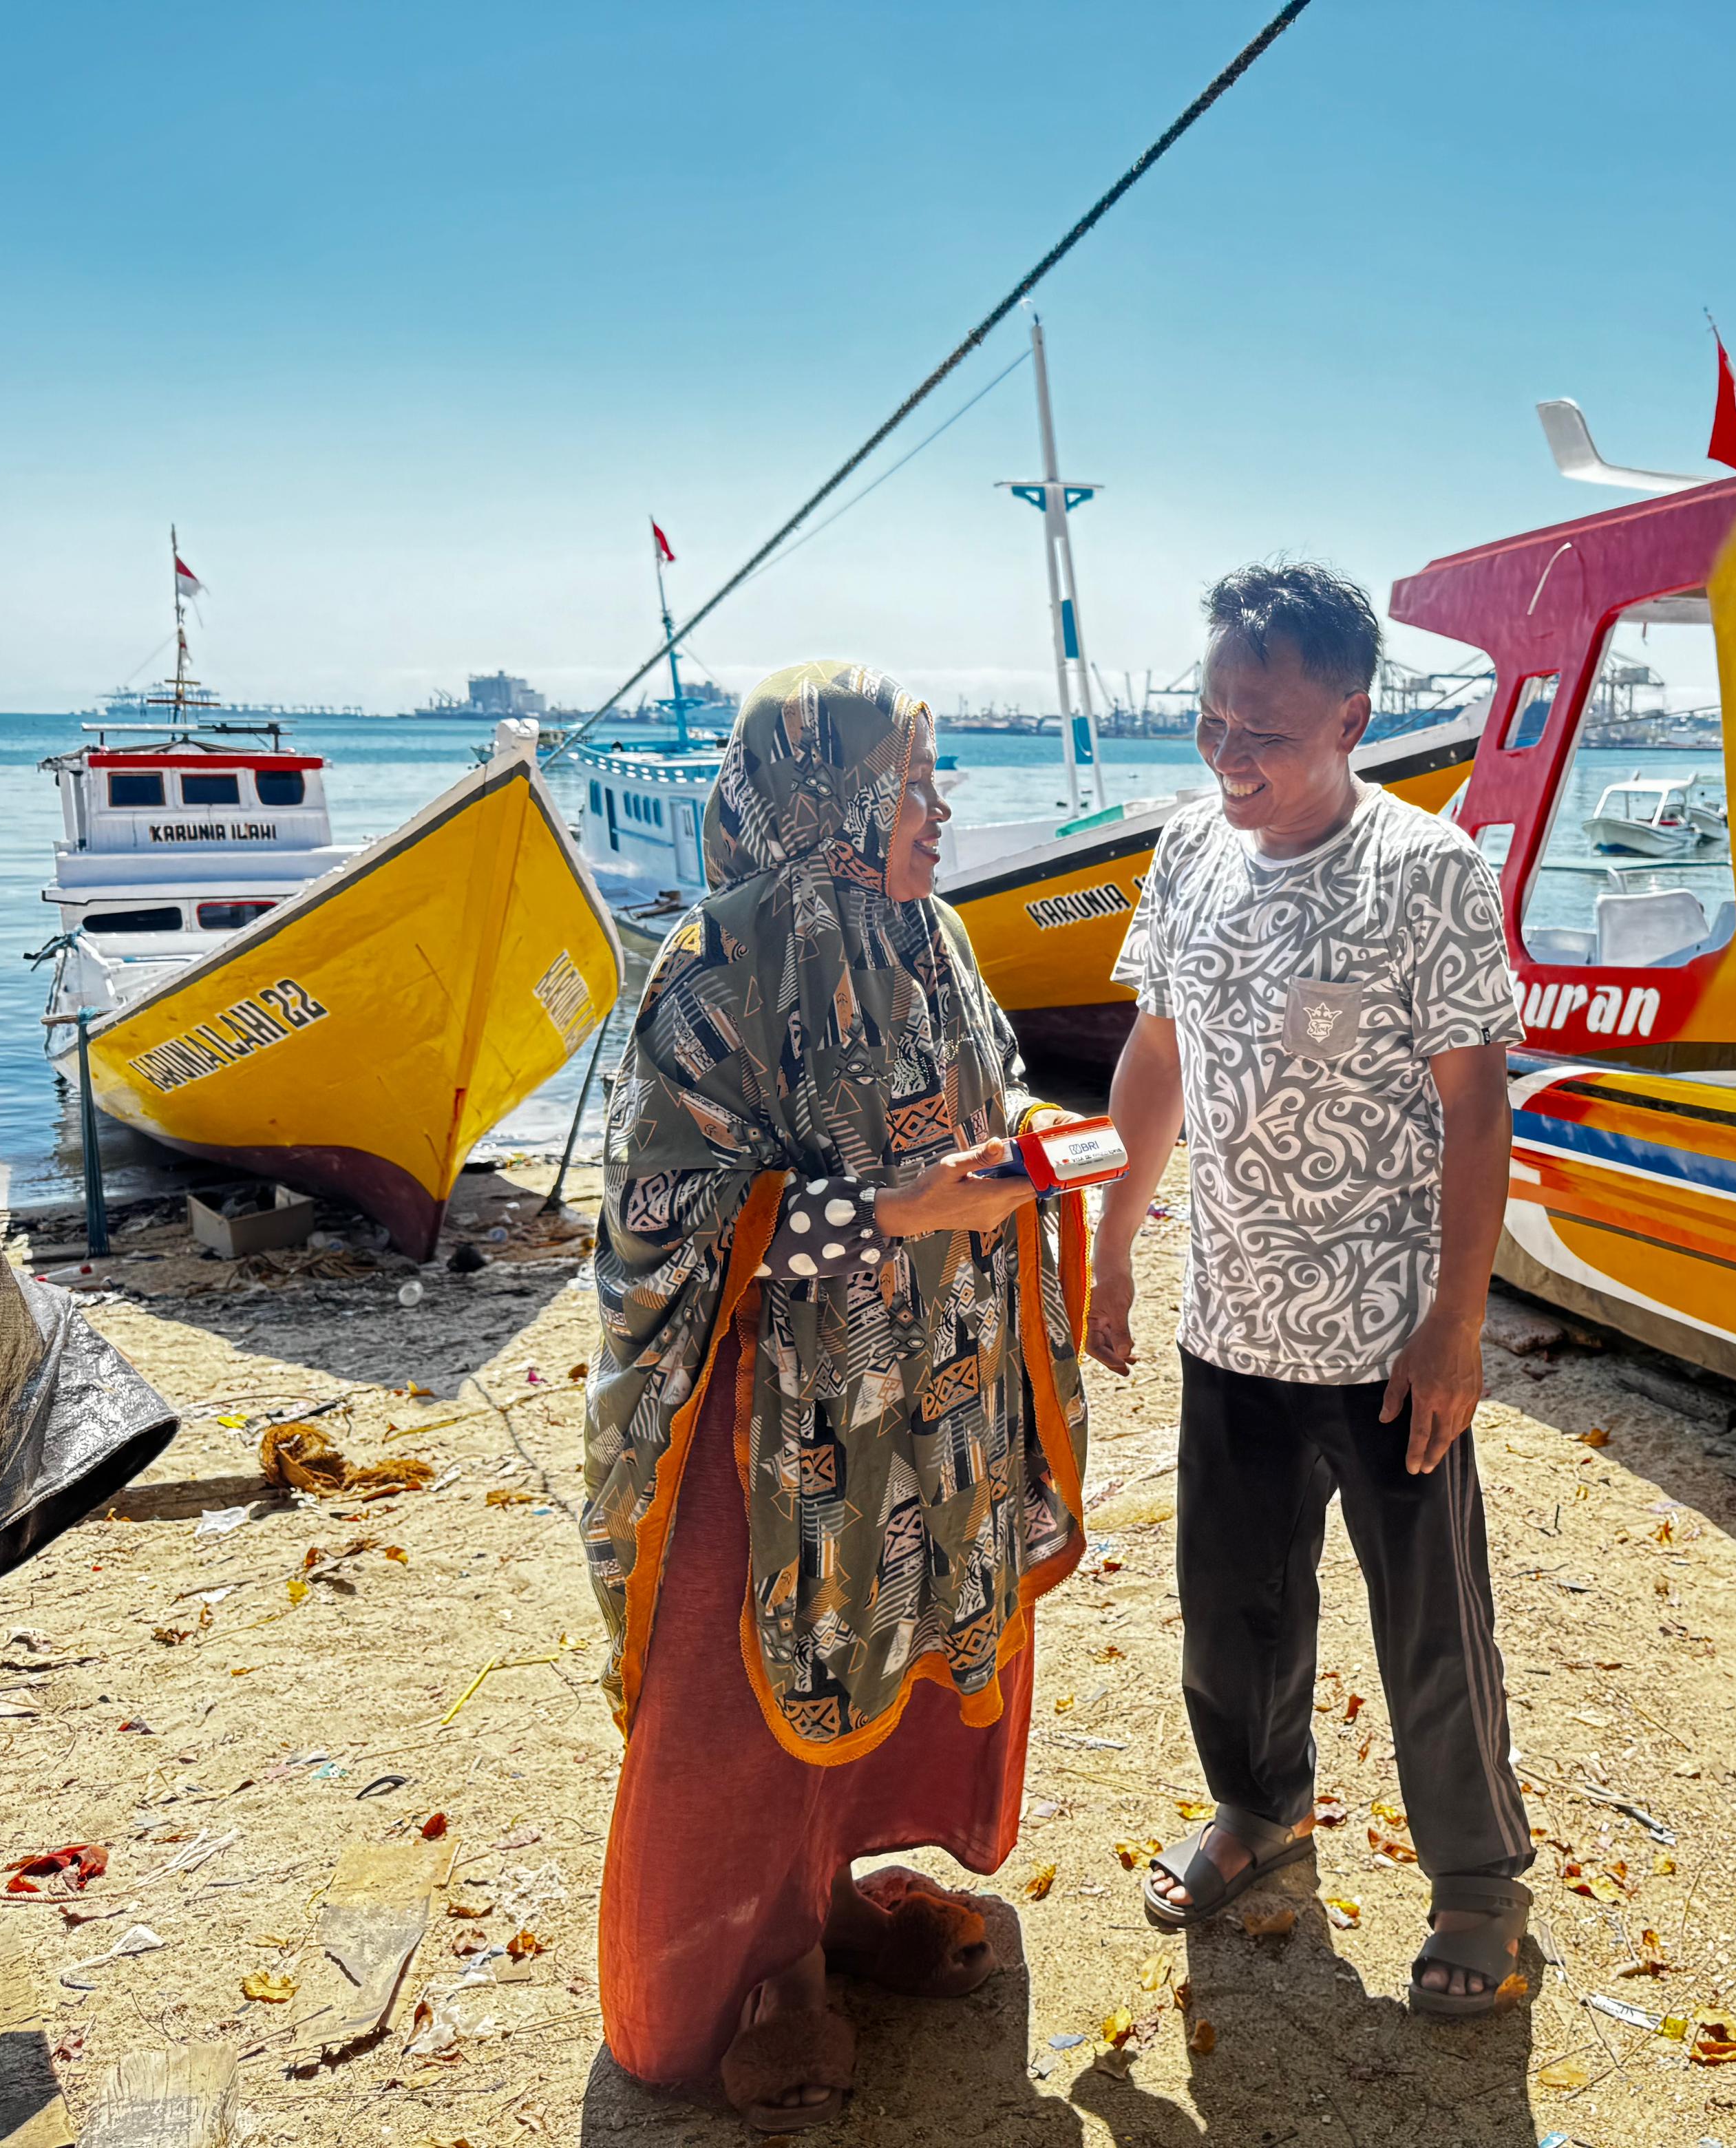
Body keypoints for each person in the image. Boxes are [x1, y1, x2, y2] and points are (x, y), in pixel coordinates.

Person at [581, 662, 1091, 2131]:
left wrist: (1030, 1163)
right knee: (749, 1685)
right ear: (830, 799)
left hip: (922, 1404)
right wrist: (882, 1213)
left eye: (934, 781)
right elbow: (663, 1217)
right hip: (773, 1430)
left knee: (896, 1642)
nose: (939, 810)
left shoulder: (929, 936)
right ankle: (758, 1976)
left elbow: (972, 1105)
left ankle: (832, 1900)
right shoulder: (717, 964)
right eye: (911, 783)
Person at [1088, 562, 1534, 2017]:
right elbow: (1158, 1054)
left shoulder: (1429, 873)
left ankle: (1475, 1883)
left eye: (1264, 730)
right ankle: (1258, 1812)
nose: (1230, 754)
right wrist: (1114, 1234)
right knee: (1232, 1608)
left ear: (1350, 717)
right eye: (1212, 718)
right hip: (1230, 1319)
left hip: (1386, 1332)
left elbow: (1479, 1109)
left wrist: (1456, 1319)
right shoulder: (1185, 852)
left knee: (1428, 1626)